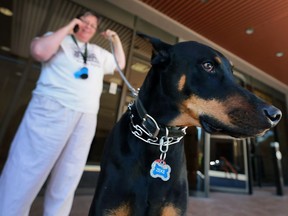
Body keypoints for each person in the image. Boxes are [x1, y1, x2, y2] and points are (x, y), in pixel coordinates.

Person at [0, 11, 125, 216]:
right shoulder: (59, 39)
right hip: (52, 109)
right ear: (76, 21)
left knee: (69, 174)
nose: (88, 26)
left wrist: (115, 39)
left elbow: (119, 65)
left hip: (86, 115)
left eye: (93, 25)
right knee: (27, 167)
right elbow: (39, 51)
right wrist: (68, 27)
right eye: (84, 21)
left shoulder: (96, 51)